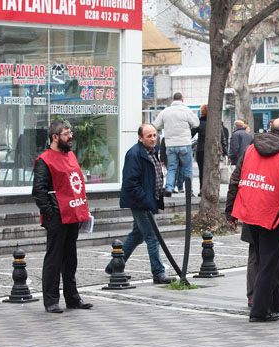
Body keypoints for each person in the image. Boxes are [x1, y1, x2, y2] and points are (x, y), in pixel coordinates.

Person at [226, 118, 279, 322]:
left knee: (268, 260)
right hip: (273, 215)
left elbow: (235, 180)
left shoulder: (251, 149)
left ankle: (278, 303)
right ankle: (260, 311)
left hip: (250, 211)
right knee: (269, 264)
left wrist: (231, 212)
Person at [32, 120, 93, 313]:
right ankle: (51, 300)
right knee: (54, 258)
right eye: (66, 134)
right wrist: (51, 214)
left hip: (73, 212)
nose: (71, 137)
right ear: (55, 137)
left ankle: (73, 298)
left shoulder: (71, 156)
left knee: (70, 258)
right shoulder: (44, 160)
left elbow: (76, 185)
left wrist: (82, 209)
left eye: (70, 133)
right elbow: (39, 191)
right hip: (57, 215)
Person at [105, 124, 175, 284]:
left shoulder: (152, 152)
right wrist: (145, 200)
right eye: (149, 136)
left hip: (150, 200)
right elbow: (130, 182)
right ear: (140, 138)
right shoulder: (135, 154)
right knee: (153, 236)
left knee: (136, 235)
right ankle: (158, 273)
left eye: (154, 135)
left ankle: (114, 266)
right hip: (141, 203)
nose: (152, 139)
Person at [153, 92, 200, 197]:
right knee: (188, 168)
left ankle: (169, 188)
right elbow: (196, 123)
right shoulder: (187, 110)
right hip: (185, 143)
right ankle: (189, 191)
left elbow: (156, 125)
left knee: (172, 168)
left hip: (170, 144)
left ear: (172, 100)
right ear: (182, 99)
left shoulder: (165, 111)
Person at [192, 104, 228, 193]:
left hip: (201, 149)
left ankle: (202, 189)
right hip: (213, 150)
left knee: (202, 171)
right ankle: (212, 190)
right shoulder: (216, 123)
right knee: (212, 171)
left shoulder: (199, 122)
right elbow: (222, 138)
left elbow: (190, 134)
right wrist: (225, 153)